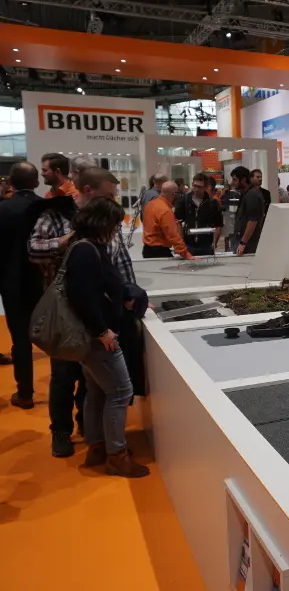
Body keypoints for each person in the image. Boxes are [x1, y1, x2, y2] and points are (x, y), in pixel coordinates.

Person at [30, 166, 136, 457]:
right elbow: (36, 251)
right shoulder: (58, 216)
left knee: (94, 387)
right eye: (109, 195)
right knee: (66, 377)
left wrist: (130, 294)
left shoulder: (105, 225)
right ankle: (63, 432)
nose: (113, 200)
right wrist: (70, 239)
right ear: (90, 190)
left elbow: (120, 263)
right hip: (72, 321)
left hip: (96, 321)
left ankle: (93, 437)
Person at [64, 197, 149, 478]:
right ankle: (116, 455)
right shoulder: (86, 251)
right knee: (120, 392)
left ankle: (98, 447)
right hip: (99, 338)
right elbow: (83, 297)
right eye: (114, 224)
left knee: (98, 391)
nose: (116, 229)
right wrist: (101, 331)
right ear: (102, 223)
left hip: (95, 336)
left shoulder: (86, 248)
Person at [0, 162, 43, 409]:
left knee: (20, 339)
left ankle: (25, 394)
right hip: (43, 281)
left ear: (11, 182)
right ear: (36, 182)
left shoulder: (3, 209)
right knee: (55, 334)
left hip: (12, 283)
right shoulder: (46, 208)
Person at [175, 173, 224, 256]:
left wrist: (214, 243)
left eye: (199, 187)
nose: (196, 189)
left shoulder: (212, 203)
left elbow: (218, 225)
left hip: (206, 245)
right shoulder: (184, 201)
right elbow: (177, 222)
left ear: (205, 187)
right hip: (188, 245)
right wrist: (181, 242)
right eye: (195, 186)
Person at [142, 180, 194, 259]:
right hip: (159, 251)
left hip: (147, 249)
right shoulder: (165, 210)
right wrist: (186, 254)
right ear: (173, 194)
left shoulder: (150, 204)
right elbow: (172, 235)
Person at [231, 166, 265, 256]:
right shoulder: (246, 194)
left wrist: (243, 242)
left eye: (234, 179)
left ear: (243, 180)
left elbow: (252, 221)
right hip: (245, 242)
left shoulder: (252, 195)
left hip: (249, 245)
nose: (232, 183)